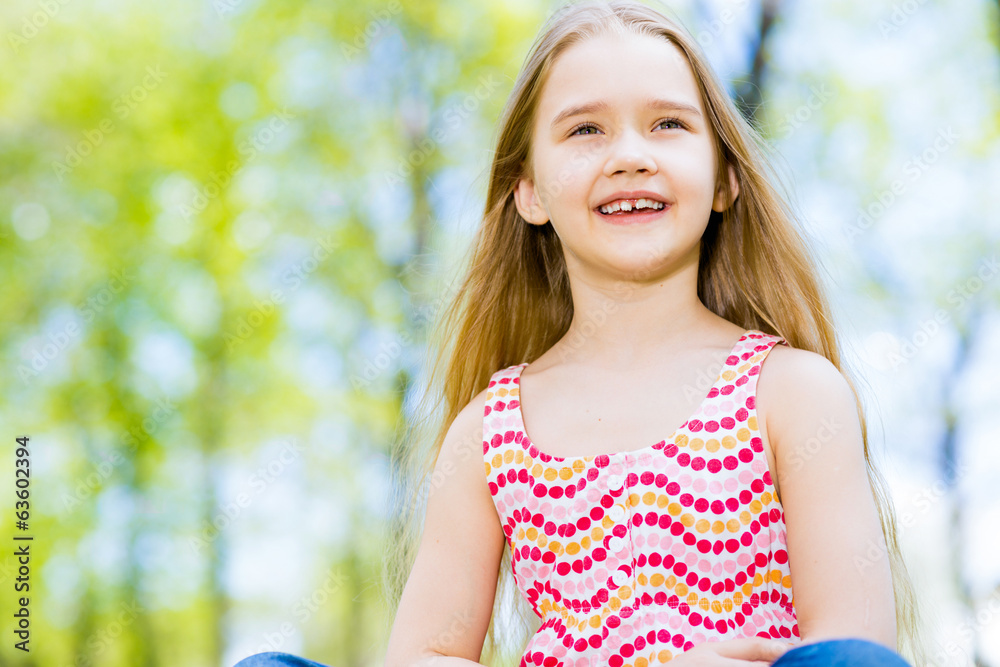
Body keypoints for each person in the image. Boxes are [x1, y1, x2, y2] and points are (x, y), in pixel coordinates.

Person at [240, 1, 928, 666]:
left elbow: (852, 646)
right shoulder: (489, 433)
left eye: (667, 125)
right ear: (529, 191)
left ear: (724, 178)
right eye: (585, 131)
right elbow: (424, 653)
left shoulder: (794, 394)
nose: (629, 154)